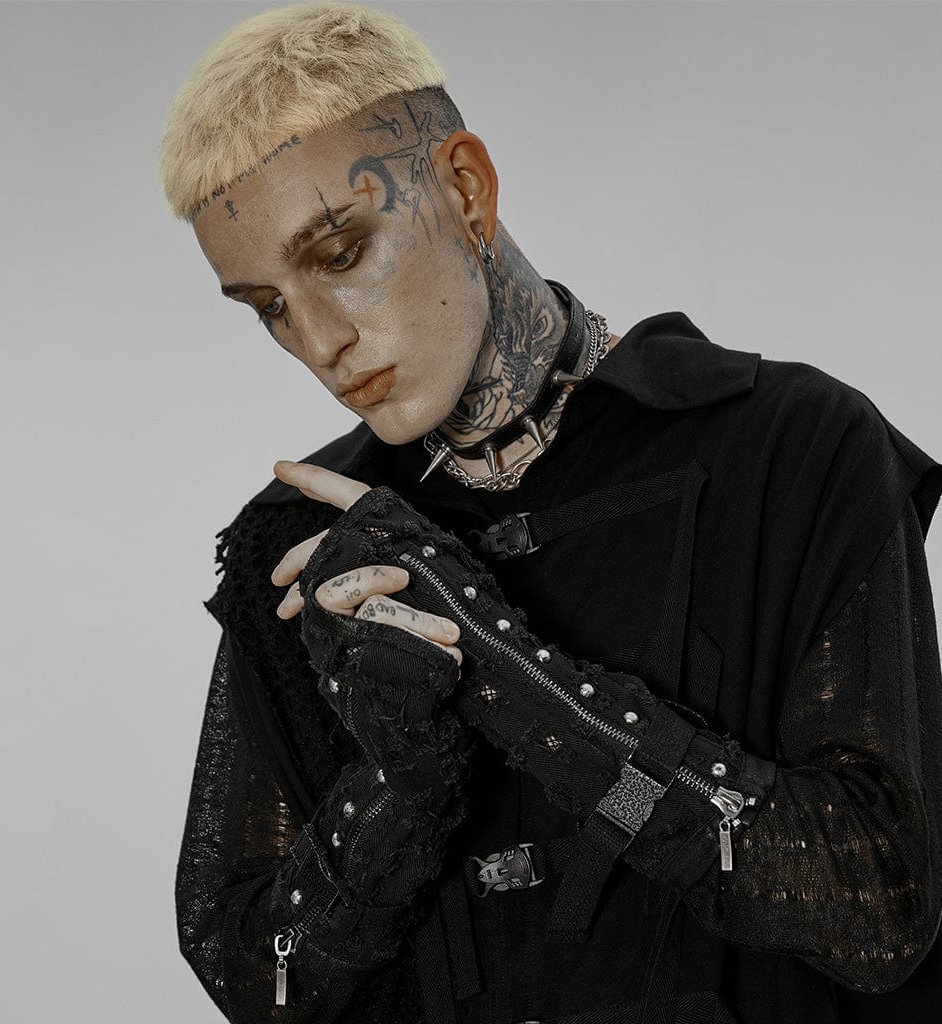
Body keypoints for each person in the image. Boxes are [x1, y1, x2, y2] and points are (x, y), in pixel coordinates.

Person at [159, 4, 942, 1022]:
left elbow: (876, 905)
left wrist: (507, 675)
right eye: (268, 306)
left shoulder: (789, 447)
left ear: (465, 190)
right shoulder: (304, 547)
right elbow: (252, 977)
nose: (318, 341)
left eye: (340, 252)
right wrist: (403, 781)